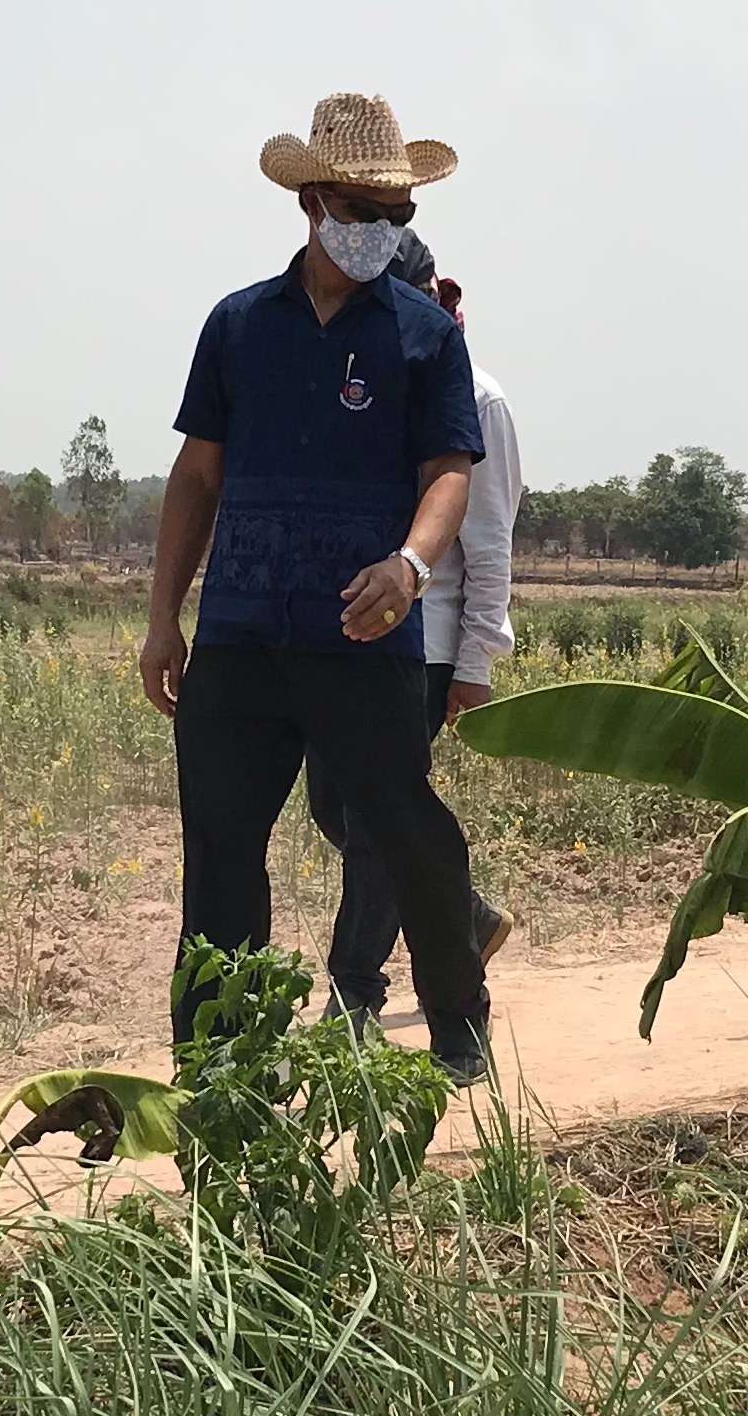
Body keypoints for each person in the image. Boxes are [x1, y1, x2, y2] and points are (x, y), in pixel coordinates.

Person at [143, 91, 495, 1081]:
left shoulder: (428, 336)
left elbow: (449, 474)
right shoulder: (239, 325)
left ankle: (457, 1017)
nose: (380, 230)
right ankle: (219, 1060)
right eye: (361, 209)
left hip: (361, 636)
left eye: (399, 216)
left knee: (405, 831)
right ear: (311, 202)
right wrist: (164, 618)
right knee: (219, 850)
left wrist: (412, 563)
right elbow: (197, 475)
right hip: (243, 637)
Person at [306, 245, 519, 1028]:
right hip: (348, 637)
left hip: (424, 646)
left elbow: (489, 542)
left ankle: (353, 991)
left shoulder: (480, 398)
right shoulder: (353, 385)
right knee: (335, 804)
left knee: (374, 823)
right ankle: (464, 918)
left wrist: (474, 663)